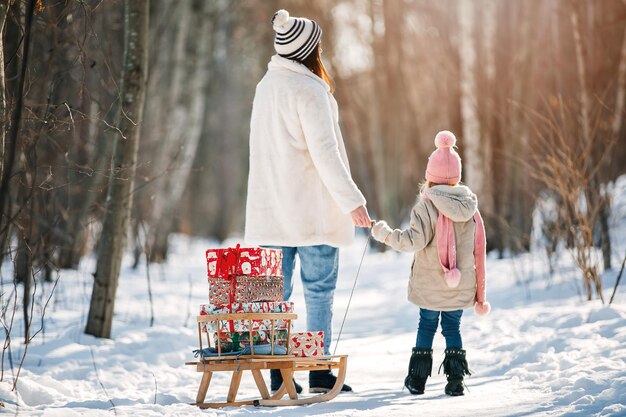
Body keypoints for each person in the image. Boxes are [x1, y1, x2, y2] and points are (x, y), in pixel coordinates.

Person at [245, 9, 371, 393]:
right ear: (308, 50)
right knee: (317, 291)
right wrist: (353, 201)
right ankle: (318, 370)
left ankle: (278, 374)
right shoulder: (310, 90)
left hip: (271, 211)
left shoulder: (265, 87)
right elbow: (325, 153)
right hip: (312, 211)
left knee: (273, 298)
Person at [370, 131, 490, 396]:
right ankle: (456, 380)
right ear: (457, 177)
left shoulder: (425, 207)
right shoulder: (470, 208)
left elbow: (412, 241)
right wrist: (480, 292)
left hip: (429, 285)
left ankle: (417, 380)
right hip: (459, 286)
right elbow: (478, 250)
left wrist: (384, 233)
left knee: (426, 326)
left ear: (430, 177)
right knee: (452, 328)